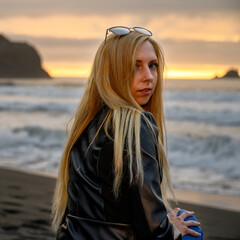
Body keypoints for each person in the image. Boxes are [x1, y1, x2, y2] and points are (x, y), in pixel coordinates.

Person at [51, 26, 202, 240]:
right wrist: (173, 230)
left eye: (153, 65)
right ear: (112, 72)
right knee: (193, 231)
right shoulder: (136, 124)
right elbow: (153, 231)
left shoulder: (85, 126)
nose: (149, 77)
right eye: (135, 67)